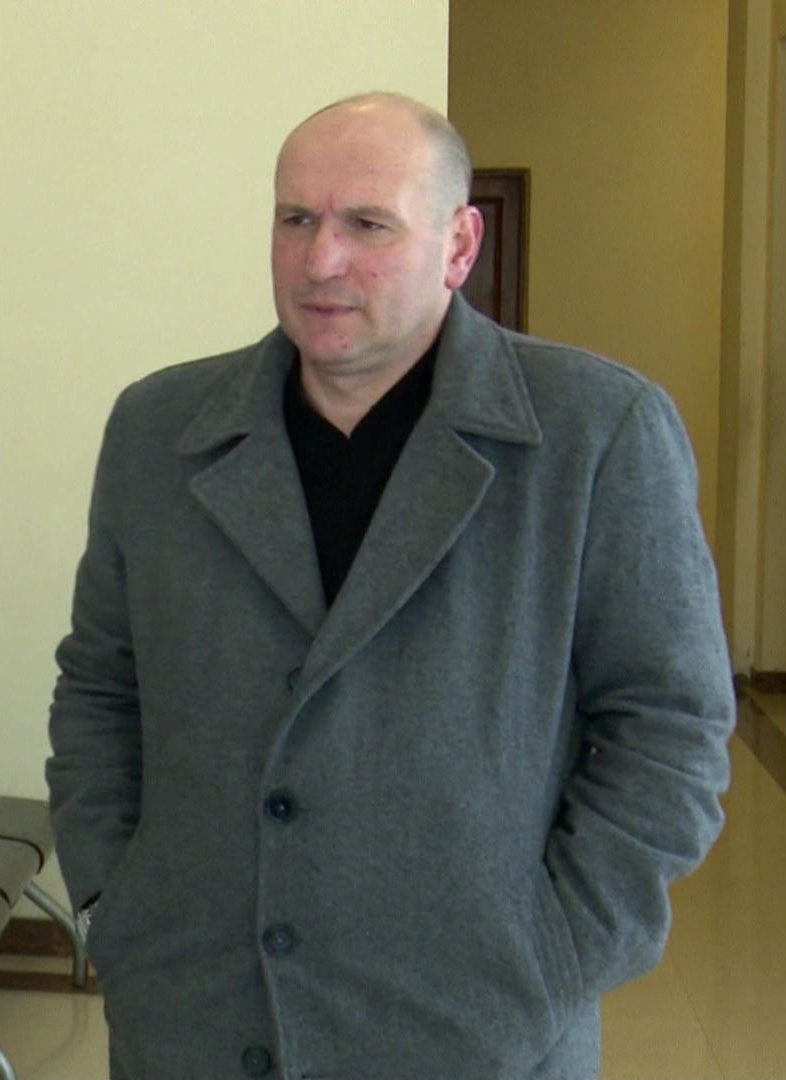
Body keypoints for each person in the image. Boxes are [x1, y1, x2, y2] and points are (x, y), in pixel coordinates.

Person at [46, 92, 734, 1080]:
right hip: (193, 1015)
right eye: (296, 219)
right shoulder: (158, 430)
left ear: (459, 245)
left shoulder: (597, 433)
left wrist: (558, 951)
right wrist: (113, 899)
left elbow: (671, 725)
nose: (321, 260)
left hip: (478, 1030)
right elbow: (100, 686)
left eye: (369, 224)